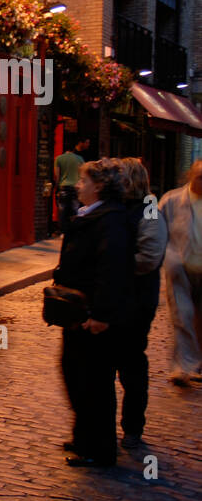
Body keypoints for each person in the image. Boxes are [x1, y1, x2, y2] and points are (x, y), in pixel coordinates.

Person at [53, 158, 133, 467]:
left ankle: (98, 449)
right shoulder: (90, 215)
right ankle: (84, 435)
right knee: (75, 374)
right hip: (77, 312)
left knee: (93, 381)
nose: (78, 185)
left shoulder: (110, 221)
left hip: (92, 315)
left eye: (84, 181)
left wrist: (101, 314)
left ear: (99, 186)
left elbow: (111, 271)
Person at [111, 158, 167, 446]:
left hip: (137, 299)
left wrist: (114, 267)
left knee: (131, 363)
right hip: (114, 298)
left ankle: (133, 427)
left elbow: (148, 258)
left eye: (119, 175)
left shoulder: (149, 210)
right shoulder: (117, 207)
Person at [159, 159, 202, 386]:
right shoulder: (172, 200)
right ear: (190, 176)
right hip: (180, 270)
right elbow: (156, 229)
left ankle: (198, 363)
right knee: (182, 316)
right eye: (200, 177)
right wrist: (167, 256)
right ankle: (183, 367)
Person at [54, 137, 89, 235]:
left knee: (62, 210)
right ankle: (74, 230)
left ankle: (63, 232)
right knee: (75, 209)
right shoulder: (80, 159)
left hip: (64, 186)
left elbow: (57, 175)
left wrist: (57, 187)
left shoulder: (59, 158)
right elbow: (83, 174)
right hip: (76, 187)